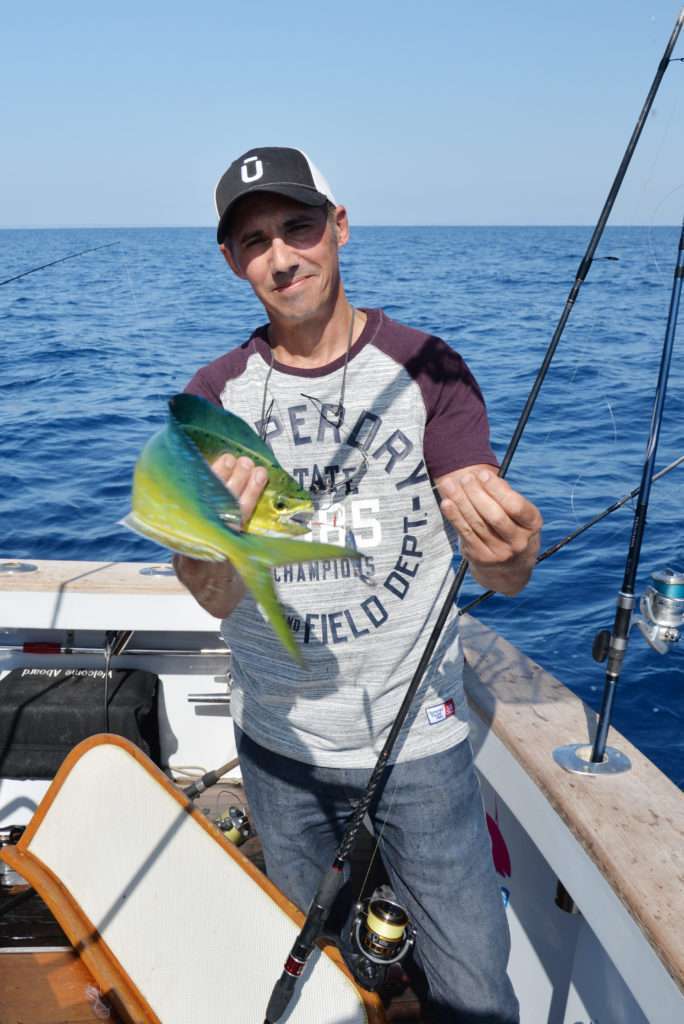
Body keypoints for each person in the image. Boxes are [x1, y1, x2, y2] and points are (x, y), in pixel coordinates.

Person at [175, 147, 542, 1023]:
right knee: (314, 982)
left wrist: (510, 552)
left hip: (420, 743)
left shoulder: (427, 368)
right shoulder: (213, 398)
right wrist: (213, 545)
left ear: (338, 228)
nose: (282, 255)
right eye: (255, 240)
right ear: (233, 261)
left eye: (299, 226)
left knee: (475, 986)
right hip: (278, 745)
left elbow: (503, 567)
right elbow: (209, 592)